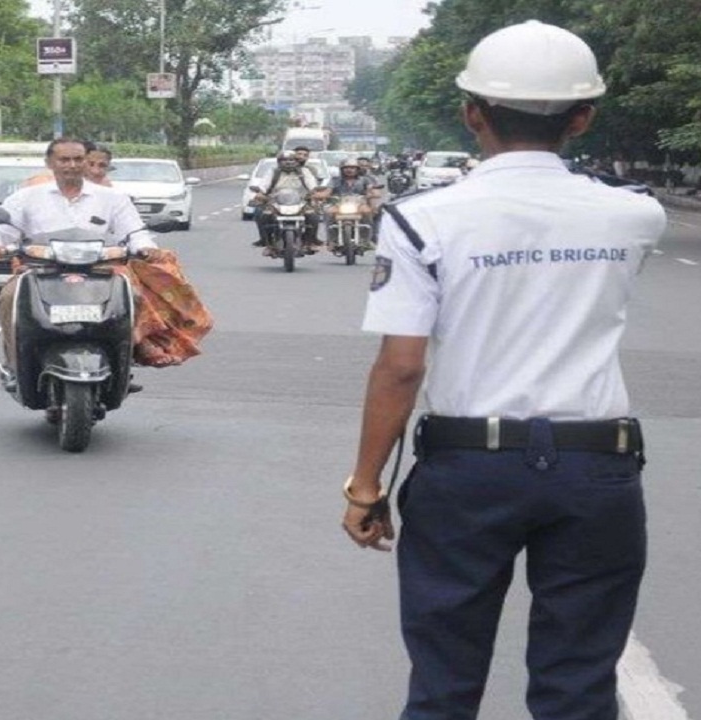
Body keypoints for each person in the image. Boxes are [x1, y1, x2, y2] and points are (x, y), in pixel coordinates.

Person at [342, 20, 666, 720]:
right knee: (578, 685)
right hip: (597, 468)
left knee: (444, 684)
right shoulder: (636, 216)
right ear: (583, 116)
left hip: (467, 470)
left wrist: (366, 485)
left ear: (471, 112)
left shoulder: (421, 219)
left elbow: (401, 368)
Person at [0, 137, 168, 375]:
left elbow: (134, 231)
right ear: (50, 162)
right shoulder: (26, 197)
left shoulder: (112, 198)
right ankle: (16, 363)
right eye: (64, 159)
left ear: (86, 162)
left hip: (99, 272)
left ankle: (123, 361)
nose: (71, 165)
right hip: (40, 272)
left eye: (78, 159)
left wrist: (145, 247)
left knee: (133, 297)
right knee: (9, 298)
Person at [250, 150, 328, 251]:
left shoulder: (304, 172)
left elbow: (312, 186)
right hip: (275, 202)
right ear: (279, 161)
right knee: (261, 213)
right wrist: (260, 194)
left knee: (313, 216)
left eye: (291, 160)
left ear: (296, 161)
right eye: (284, 160)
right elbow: (264, 186)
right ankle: (266, 240)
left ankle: (309, 241)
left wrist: (315, 194)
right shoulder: (273, 171)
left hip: (301, 202)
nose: (288, 162)